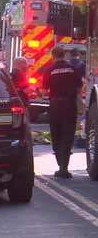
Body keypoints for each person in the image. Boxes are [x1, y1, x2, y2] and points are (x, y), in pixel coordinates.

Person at [43, 47, 82, 178]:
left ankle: (60, 165)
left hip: (55, 105)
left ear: (53, 56)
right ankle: (64, 167)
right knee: (68, 135)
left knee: (56, 134)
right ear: (64, 55)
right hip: (70, 104)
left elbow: (44, 91)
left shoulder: (49, 70)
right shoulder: (73, 69)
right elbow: (79, 87)